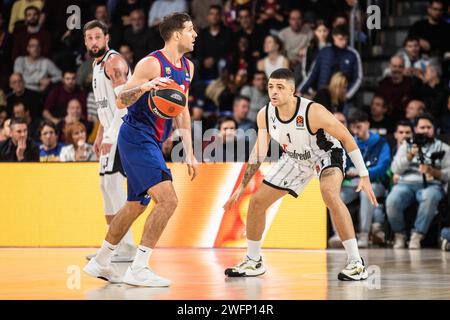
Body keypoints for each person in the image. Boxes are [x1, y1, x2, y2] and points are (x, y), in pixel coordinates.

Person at [223, 68, 378, 281]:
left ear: (292, 91)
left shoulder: (313, 111)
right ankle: (253, 260)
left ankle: (356, 263)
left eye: (280, 87)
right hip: (295, 158)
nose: (273, 92)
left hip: (325, 154)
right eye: (270, 87)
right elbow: (259, 152)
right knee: (257, 202)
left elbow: (347, 138)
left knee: (329, 195)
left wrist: (364, 174)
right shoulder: (265, 114)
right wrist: (241, 186)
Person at [84, 13, 198, 287]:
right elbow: (121, 100)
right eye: (190, 30)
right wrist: (146, 86)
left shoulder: (188, 68)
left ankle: (100, 261)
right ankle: (140, 267)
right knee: (168, 200)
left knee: (135, 205)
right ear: (176, 35)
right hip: (136, 136)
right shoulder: (150, 63)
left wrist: (190, 151)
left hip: (154, 141)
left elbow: (181, 110)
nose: (195, 35)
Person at [83, 20, 137, 262]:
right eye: (89, 38)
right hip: (110, 130)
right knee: (107, 187)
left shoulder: (114, 62)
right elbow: (105, 106)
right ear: (85, 42)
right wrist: (99, 134)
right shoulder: (96, 65)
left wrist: (111, 135)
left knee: (113, 185)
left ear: (106, 38)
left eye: (97, 37)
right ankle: (116, 245)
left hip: (124, 129)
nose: (94, 42)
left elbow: (124, 104)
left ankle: (122, 247)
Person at [386, 113, 450, 249]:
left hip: (432, 185)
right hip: (406, 184)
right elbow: (395, 168)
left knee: (429, 196)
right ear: (416, 129)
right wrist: (410, 155)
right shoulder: (406, 146)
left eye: (428, 127)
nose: (425, 130)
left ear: (434, 129)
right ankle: (399, 235)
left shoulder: (443, 148)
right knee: (392, 200)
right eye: (422, 128)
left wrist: (434, 172)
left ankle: (417, 236)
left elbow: (448, 173)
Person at [332, 110, 391, 248]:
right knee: (334, 196)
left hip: (376, 183)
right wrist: (347, 171)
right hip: (353, 184)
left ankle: (364, 235)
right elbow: (344, 164)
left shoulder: (381, 143)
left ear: (367, 124)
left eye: (359, 127)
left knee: (366, 191)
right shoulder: (350, 142)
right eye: (353, 128)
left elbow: (383, 166)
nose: (356, 131)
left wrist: (362, 172)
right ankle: (338, 234)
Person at [299, 25, 362, 100]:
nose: (344, 42)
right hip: (323, 97)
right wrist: (300, 91)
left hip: (343, 99)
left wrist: (347, 95)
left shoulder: (353, 54)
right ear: (334, 37)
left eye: (346, 39)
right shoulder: (324, 52)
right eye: (341, 39)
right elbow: (312, 74)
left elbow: (358, 78)